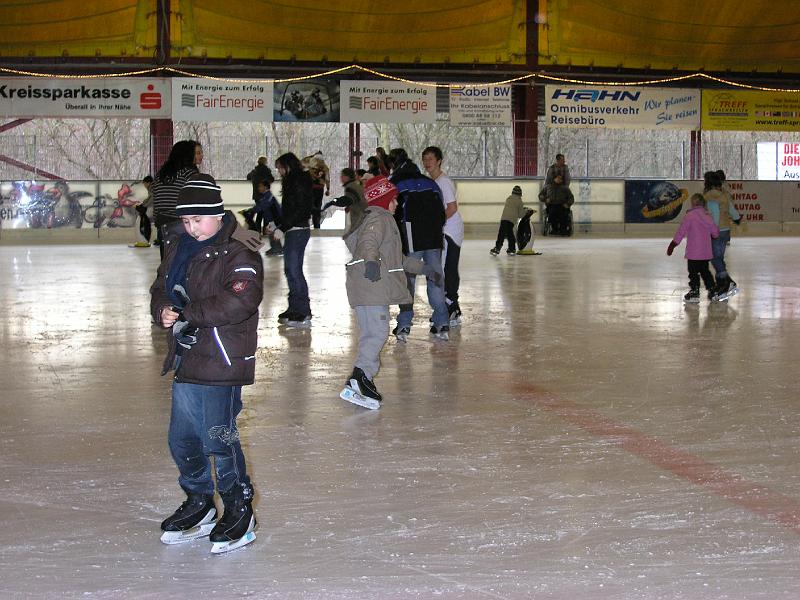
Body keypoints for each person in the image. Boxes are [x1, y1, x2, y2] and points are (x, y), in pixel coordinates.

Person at [149, 173, 264, 554]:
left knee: (219, 438)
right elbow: (161, 287)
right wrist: (163, 310)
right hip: (187, 356)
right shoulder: (179, 246)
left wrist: (186, 313)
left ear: (217, 214)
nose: (191, 227)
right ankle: (199, 503)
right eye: (185, 221)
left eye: (198, 219)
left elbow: (240, 301)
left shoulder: (239, 250)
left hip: (222, 359)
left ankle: (238, 506)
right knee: (181, 439)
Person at [339, 176, 439, 409]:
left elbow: (397, 259)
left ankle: (360, 378)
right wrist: (371, 263)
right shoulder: (379, 218)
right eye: (394, 200)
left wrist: (424, 269)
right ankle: (360, 376)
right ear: (384, 200)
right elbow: (368, 243)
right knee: (377, 333)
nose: (397, 205)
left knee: (372, 333)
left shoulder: (373, 219)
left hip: (366, 289)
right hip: (372, 286)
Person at [388, 148, 449, 341]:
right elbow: (442, 212)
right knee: (435, 277)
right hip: (434, 238)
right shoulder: (431, 183)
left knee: (408, 281)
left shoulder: (396, 183)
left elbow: (392, 214)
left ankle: (404, 324)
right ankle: (442, 322)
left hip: (411, 239)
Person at [422, 146, 464, 325]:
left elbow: (452, 208)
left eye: (431, 158)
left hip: (449, 231)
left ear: (439, 160)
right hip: (441, 230)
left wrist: (435, 223)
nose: (427, 162)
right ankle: (449, 305)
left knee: (447, 268)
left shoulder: (443, 182)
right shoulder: (432, 181)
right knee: (442, 268)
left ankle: (451, 306)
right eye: (424, 159)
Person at [275, 152, 314, 327]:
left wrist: (282, 227)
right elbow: (289, 209)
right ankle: (293, 307)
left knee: (294, 270)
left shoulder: (299, 181)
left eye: (280, 168)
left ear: (287, 166)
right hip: (292, 229)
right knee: (289, 270)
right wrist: (278, 225)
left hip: (298, 230)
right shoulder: (292, 181)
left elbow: (302, 209)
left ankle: (303, 310)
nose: (279, 172)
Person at [151, 140, 200, 259]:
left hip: (163, 224)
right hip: (182, 224)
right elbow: (196, 200)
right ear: (188, 155)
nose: (201, 156)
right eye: (197, 153)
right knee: (185, 261)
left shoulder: (161, 174)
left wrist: (158, 221)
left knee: (167, 261)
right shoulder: (189, 174)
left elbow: (156, 200)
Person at [667, 193, 720, 303]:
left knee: (693, 273)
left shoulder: (689, 216)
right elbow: (715, 232)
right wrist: (714, 235)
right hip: (705, 253)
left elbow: (681, 232)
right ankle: (712, 290)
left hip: (693, 253)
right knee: (705, 271)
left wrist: (673, 244)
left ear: (693, 203)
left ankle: (695, 292)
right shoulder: (708, 216)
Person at [704, 171, 742, 301]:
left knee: (714, 258)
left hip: (717, 231)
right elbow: (732, 210)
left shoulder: (710, 197)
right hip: (725, 231)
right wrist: (737, 218)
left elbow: (714, 215)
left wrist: (712, 231)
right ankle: (721, 283)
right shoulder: (724, 195)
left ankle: (727, 281)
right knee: (718, 257)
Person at [491, 185, 528, 255]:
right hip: (511, 220)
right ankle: (512, 249)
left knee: (501, 234)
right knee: (510, 234)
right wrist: (525, 211)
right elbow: (521, 215)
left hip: (504, 219)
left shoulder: (508, 199)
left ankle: (497, 248)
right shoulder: (520, 201)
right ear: (520, 194)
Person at [254, 179, 284, 256]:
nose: (258, 188)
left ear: (266, 187)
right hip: (271, 219)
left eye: (260, 186)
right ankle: (275, 248)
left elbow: (263, 205)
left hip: (275, 219)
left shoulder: (269, 196)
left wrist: (253, 210)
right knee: (271, 233)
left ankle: (277, 249)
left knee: (273, 234)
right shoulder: (265, 196)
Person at [301, 151, 330, 228]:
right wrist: (328, 189)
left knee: (309, 206)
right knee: (317, 206)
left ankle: (306, 224)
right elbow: (327, 179)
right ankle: (317, 225)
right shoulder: (325, 167)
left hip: (310, 188)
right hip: (319, 189)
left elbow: (302, 163)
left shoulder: (310, 164)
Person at [133, 175, 154, 247]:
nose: (144, 185)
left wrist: (144, 205)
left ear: (148, 183)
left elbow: (152, 198)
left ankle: (144, 240)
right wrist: (143, 203)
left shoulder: (152, 188)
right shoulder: (152, 188)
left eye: (144, 183)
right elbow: (149, 198)